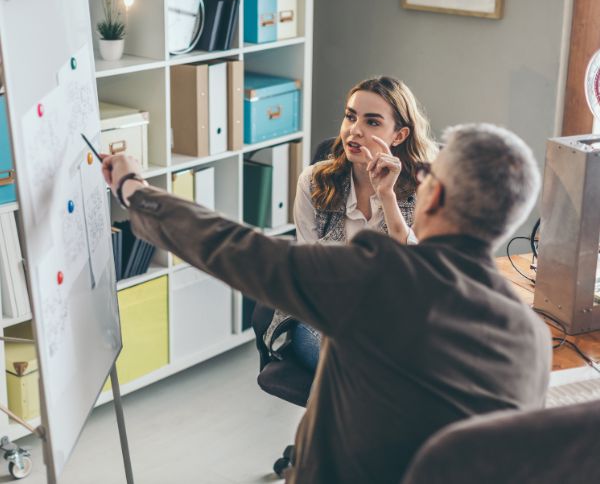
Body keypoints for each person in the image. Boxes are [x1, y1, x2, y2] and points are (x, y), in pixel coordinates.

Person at [101, 122, 552, 484]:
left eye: (427, 175)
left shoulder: (381, 275)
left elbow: (235, 248)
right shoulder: (529, 336)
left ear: (434, 193)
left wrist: (135, 190)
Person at [281, 76, 438, 372]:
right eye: (350, 117)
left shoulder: (425, 189)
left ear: (399, 135)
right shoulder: (315, 182)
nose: (355, 131)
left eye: (373, 122)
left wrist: (387, 197)